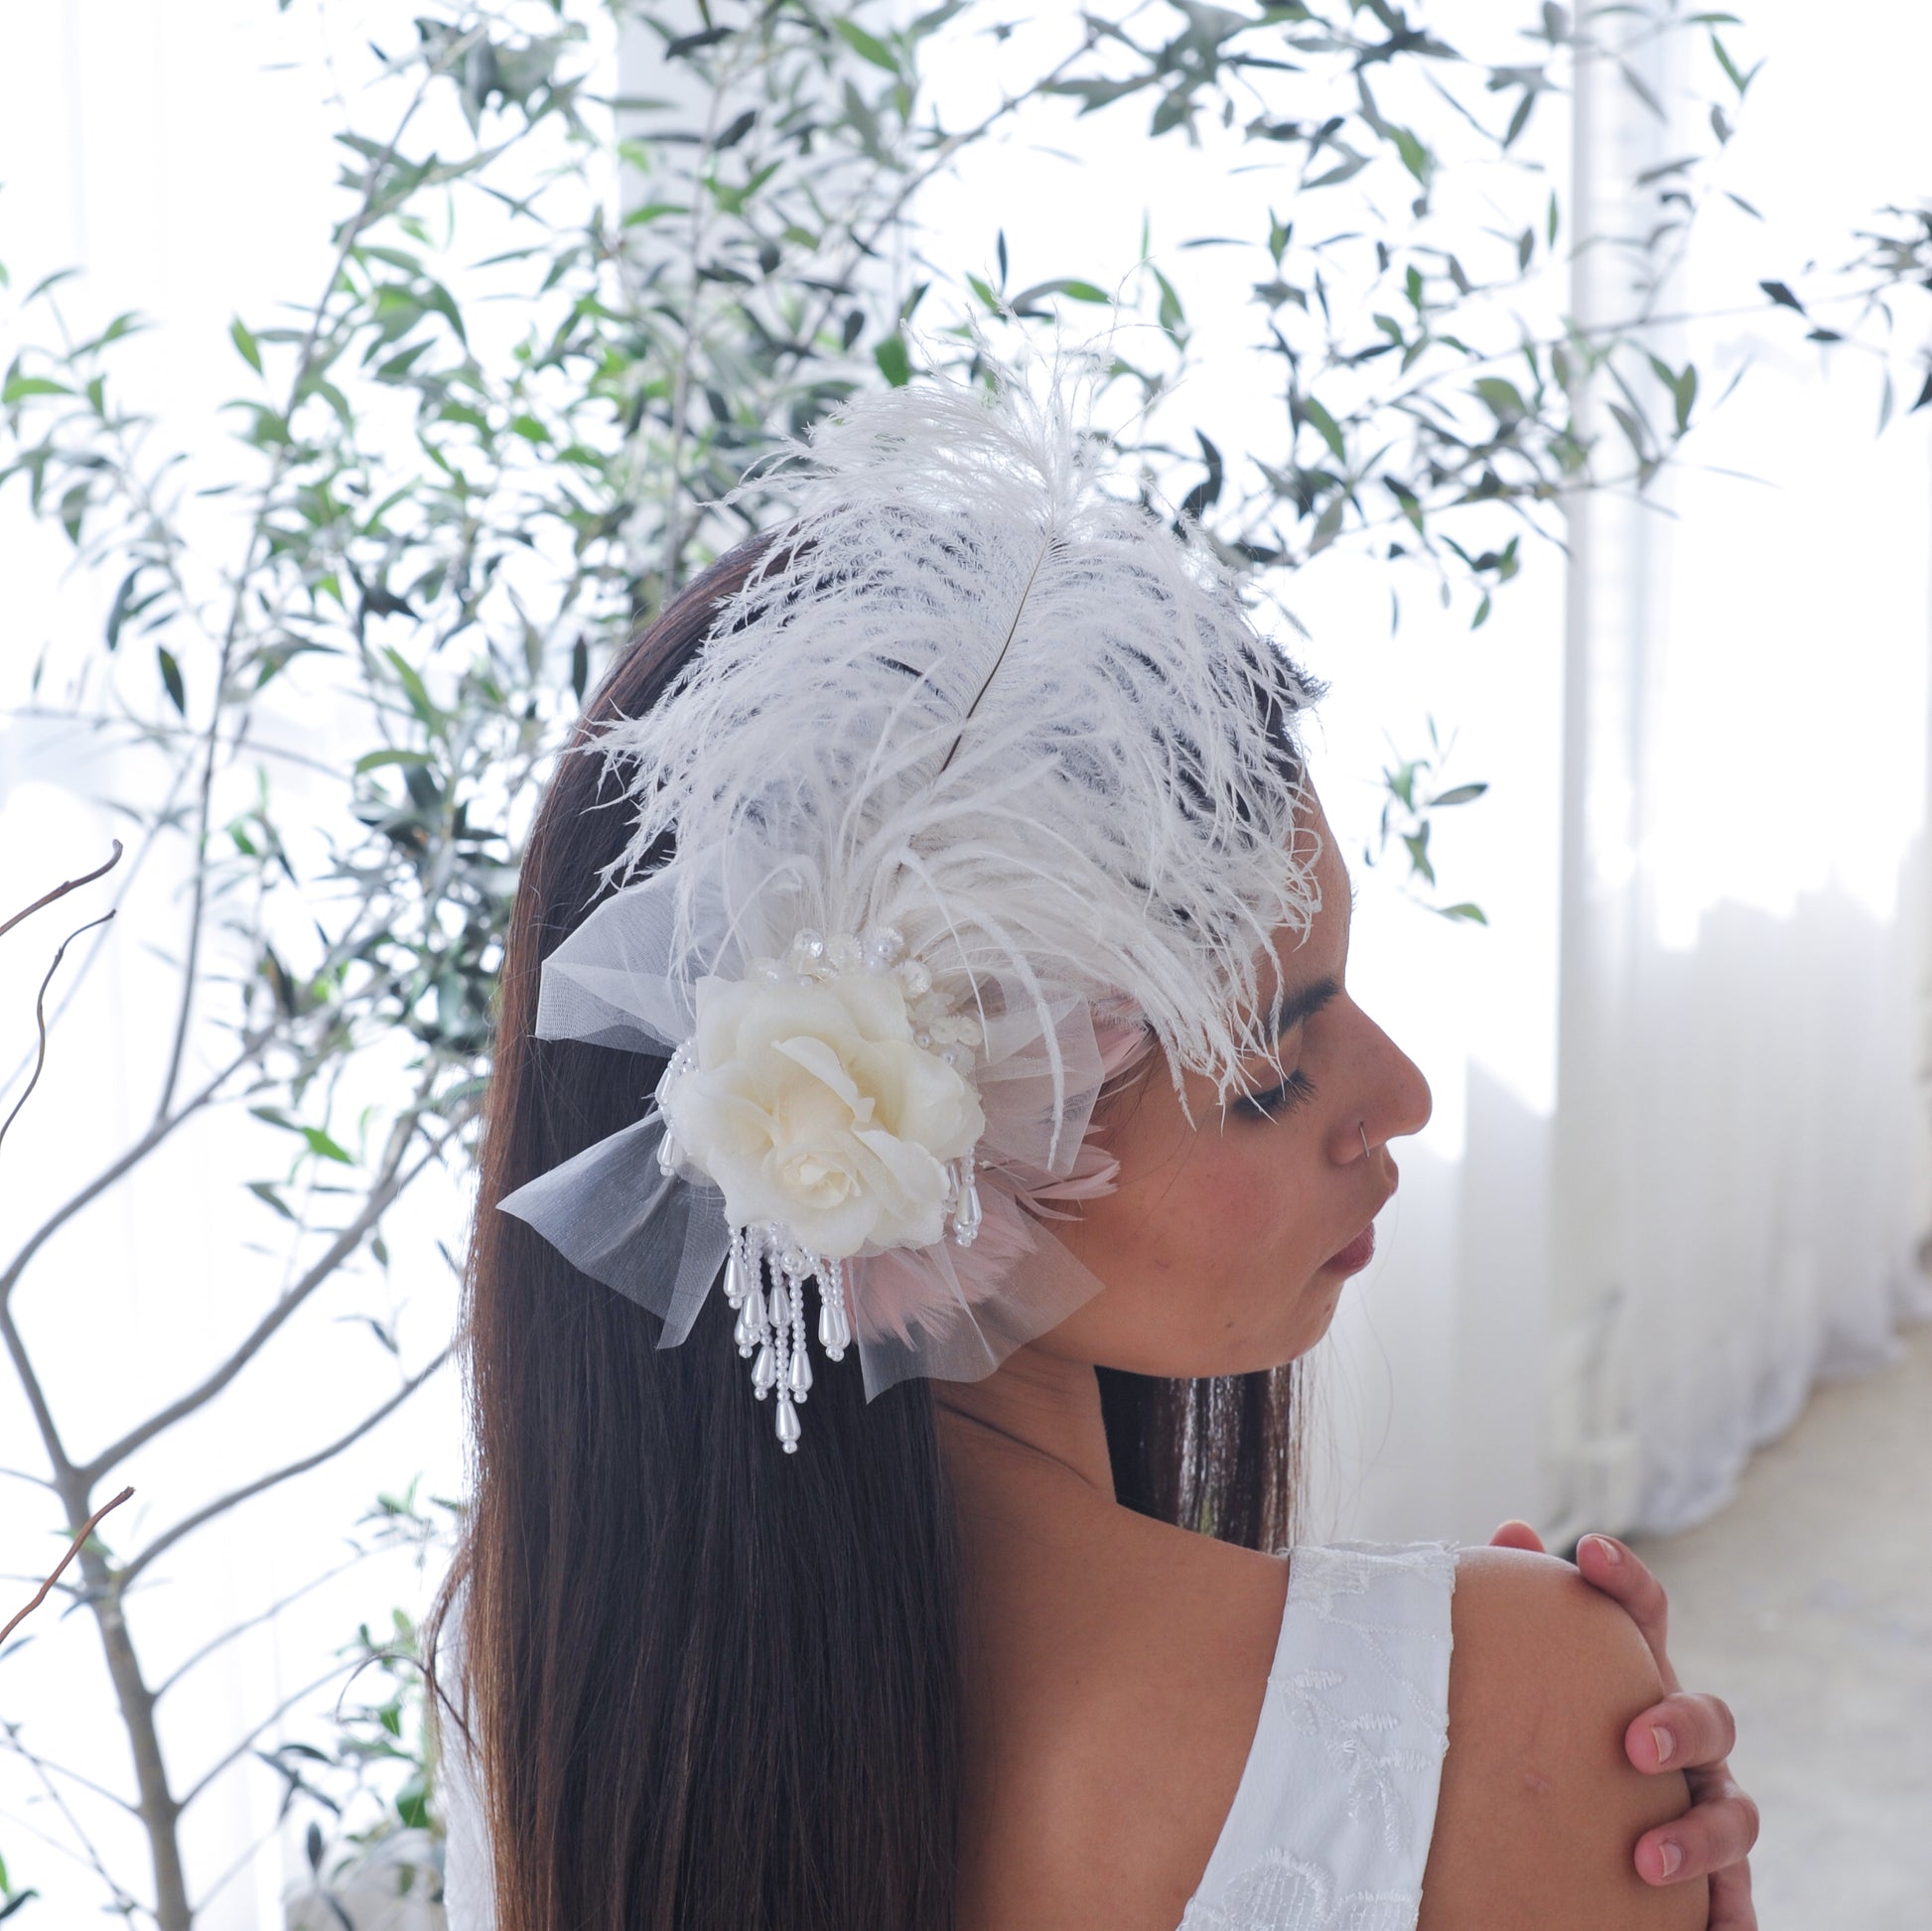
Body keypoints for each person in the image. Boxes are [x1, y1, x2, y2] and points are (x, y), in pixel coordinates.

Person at [427, 364, 1758, 1931]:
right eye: (1268, 1070)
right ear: (949, 1168)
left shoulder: (543, 1659)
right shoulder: (1513, 1707)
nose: (1398, 1094)